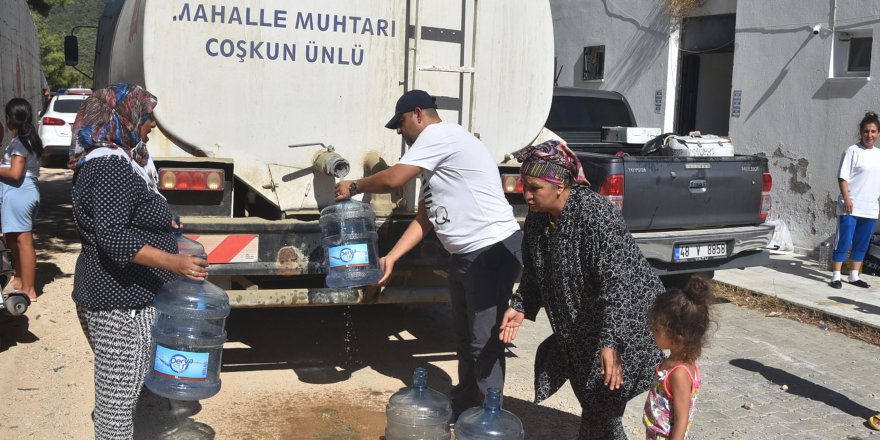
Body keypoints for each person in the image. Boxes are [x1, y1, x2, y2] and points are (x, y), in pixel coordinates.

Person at [334, 89, 523, 415]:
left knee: (483, 340)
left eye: (401, 122)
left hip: (490, 251)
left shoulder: (441, 135)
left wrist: (355, 186)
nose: (398, 131)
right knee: (464, 337)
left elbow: (394, 179)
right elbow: (426, 218)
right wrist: (392, 256)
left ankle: (486, 420)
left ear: (419, 114)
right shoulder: (435, 158)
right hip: (466, 256)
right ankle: (466, 403)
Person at [498, 140, 664, 439]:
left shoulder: (595, 214)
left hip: (626, 324)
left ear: (560, 185)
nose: (527, 195)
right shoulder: (538, 219)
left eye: (534, 187)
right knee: (595, 405)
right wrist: (521, 304)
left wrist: (611, 343)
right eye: (524, 186)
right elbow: (536, 270)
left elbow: (619, 286)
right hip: (581, 328)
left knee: (602, 409)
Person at [70, 83, 208, 439]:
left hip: (132, 296)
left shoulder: (123, 159)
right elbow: (113, 235)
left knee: (138, 386)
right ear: (124, 117)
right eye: (147, 117)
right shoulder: (109, 165)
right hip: (118, 301)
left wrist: (166, 222)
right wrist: (173, 262)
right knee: (117, 404)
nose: (152, 125)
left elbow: (127, 215)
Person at [643, 276, 712, 440]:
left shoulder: (679, 373)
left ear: (678, 337)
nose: (652, 329)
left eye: (657, 329)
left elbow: (682, 420)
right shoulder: (678, 362)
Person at [828, 111, 880, 289]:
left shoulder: (879, 155)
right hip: (850, 206)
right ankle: (836, 275)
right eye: (866, 131)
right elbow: (843, 178)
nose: (869, 135)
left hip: (870, 208)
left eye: (873, 131)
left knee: (862, 242)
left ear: (878, 134)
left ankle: (854, 275)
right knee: (844, 240)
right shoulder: (852, 151)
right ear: (861, 132)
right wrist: (847, 198)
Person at [0, 98, 43, 301]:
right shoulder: (27, 139)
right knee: (13, 239)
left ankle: (28, 288)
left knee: (23, 241)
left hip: (20, 192)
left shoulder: (20, 142)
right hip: (21, 192)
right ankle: (19, 279)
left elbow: (16, 173)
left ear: (10, 119)